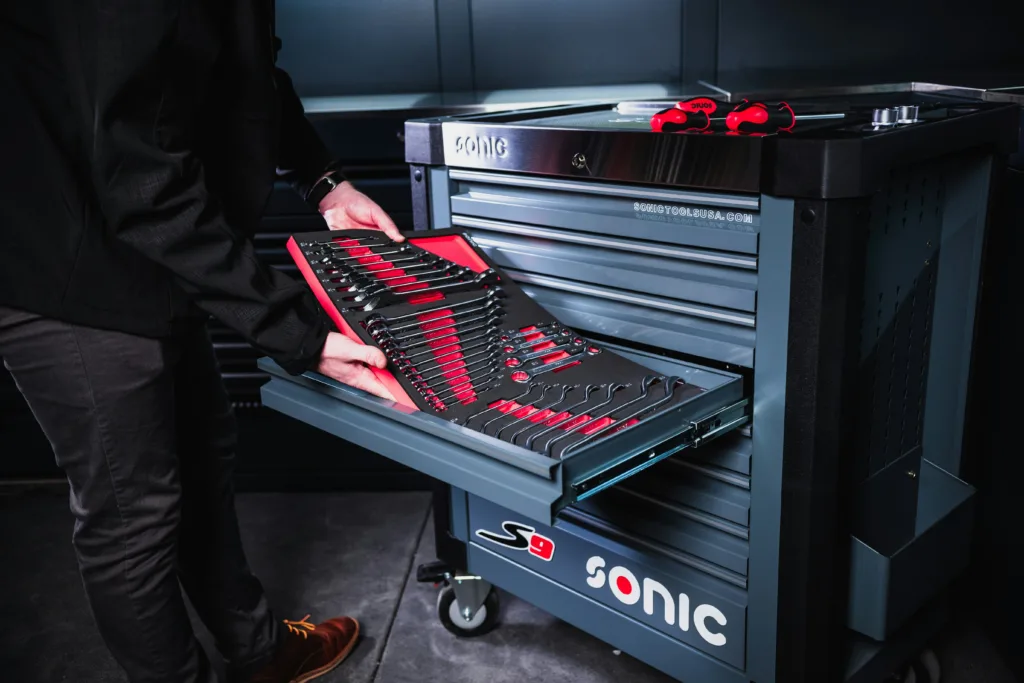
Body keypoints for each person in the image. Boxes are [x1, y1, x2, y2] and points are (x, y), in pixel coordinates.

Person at [0, 1, 399, 681]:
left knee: (201, 466)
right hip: (70, 270)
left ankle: (260, 651)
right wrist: (299, 333)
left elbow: (247, 73)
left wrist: (325, 180)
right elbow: (138, 177)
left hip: (159, 250)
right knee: (135, 520)